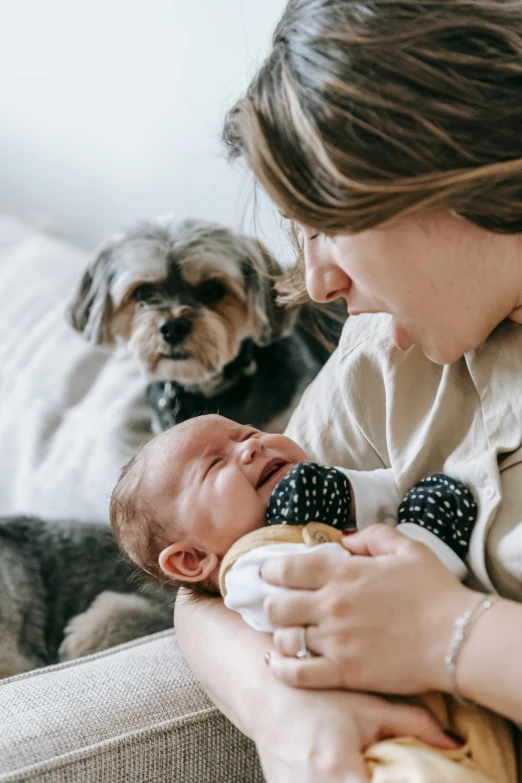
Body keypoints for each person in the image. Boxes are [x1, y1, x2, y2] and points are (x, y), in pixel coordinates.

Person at [175, 2, 522, 781]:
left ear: (432, 160)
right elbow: (209, 581)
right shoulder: (385, 357)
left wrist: (448, 633)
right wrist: (281, 706)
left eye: (322, 226)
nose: (323, 281)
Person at [111, 413, 513, 782]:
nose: (252, 446)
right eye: (215, 464)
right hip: (390, 741)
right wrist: (426, 537)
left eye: (250, 433)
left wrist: (343, 490)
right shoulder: (251, 567)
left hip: (473, 709)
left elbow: (395, 488)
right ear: (193, 559)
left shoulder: (326, 520)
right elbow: (369, 594)